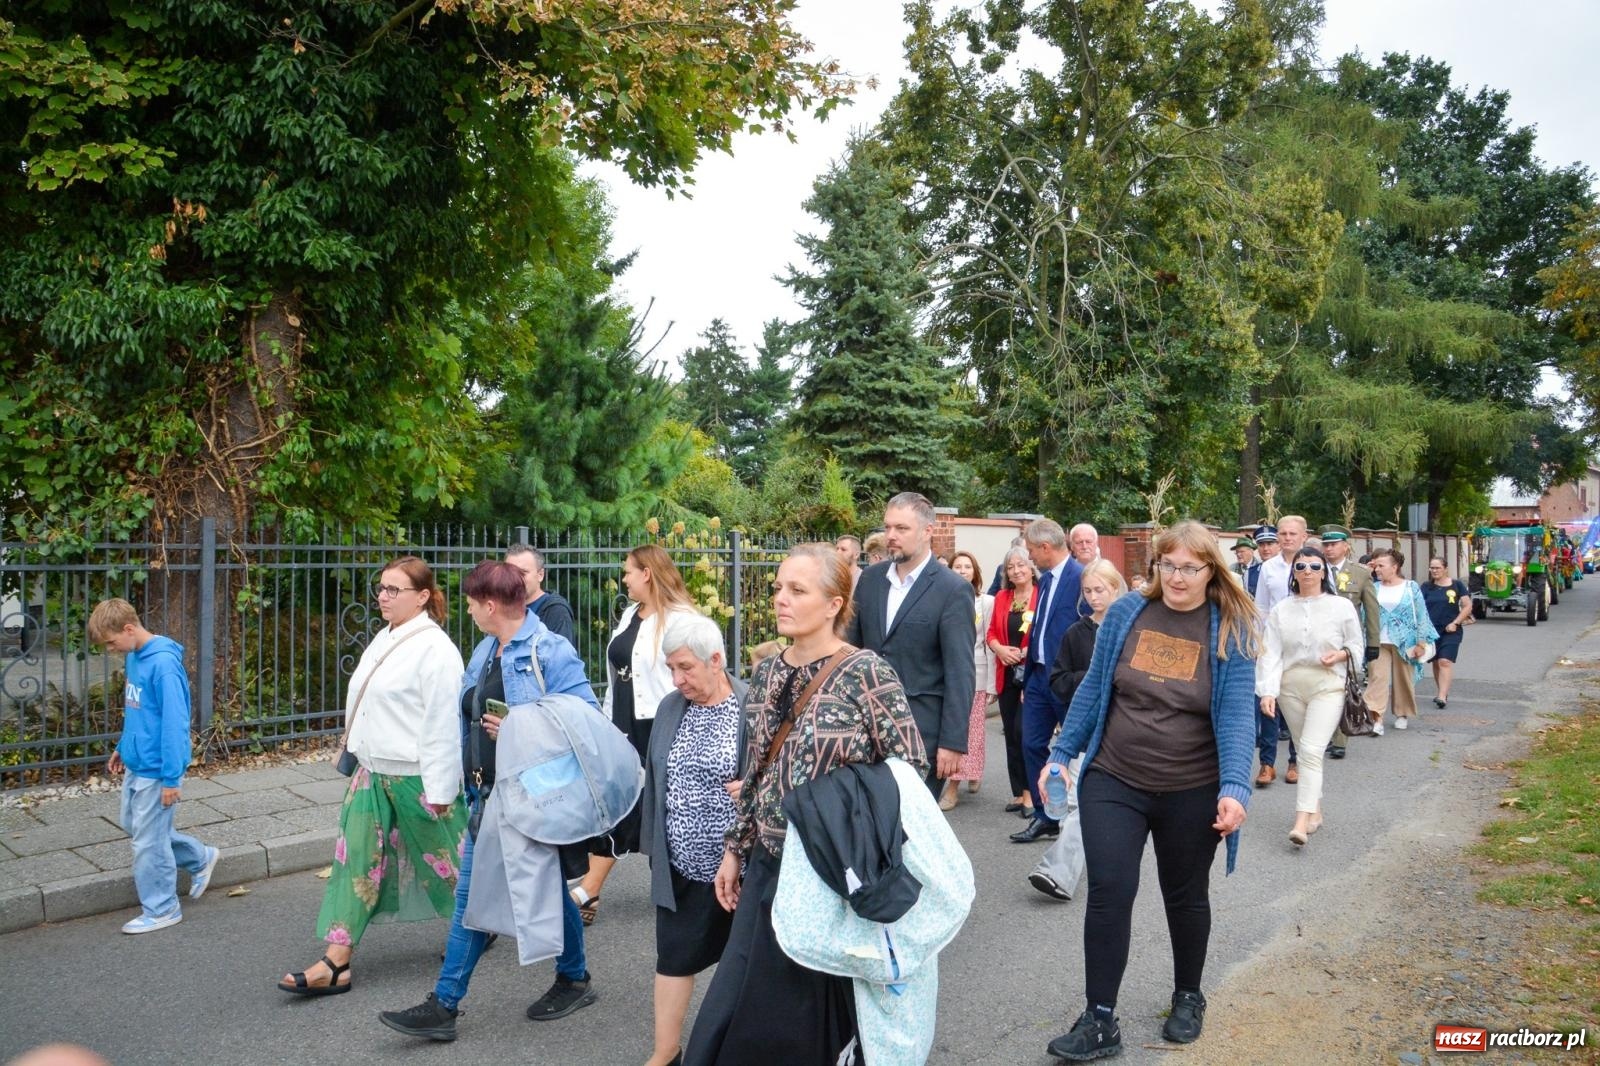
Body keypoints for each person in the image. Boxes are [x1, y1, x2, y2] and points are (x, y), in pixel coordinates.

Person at [684, 544, 928, 1065]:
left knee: (808, 1011)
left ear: (834, 604)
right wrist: (734, 850)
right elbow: (755, 772)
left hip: (830, 871)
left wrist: (843, 806)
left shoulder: (866, 672)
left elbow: (909, 769)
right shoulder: (767, 673)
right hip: (770, 865)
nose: (781, 599)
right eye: (779, 588)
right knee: (739, 1000)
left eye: (797, 590)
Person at [1040, 521, 1258, 1059]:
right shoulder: (1126, 613)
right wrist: (1062, 754)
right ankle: (1099, 1018)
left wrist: (1235, 787)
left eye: (1190, 568)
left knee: (1185, 895)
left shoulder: (1229, 627)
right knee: (1110, 891)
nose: (1177, 577)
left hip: (1191, 785)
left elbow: (1237, 716)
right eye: (1169, 565)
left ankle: (1188, 996)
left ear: (1211, 570)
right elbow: (1094, 689)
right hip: (1115, 777)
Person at [379, 561, 602, 1040]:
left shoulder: (549, 650)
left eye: (470, 603)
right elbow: (462, 719)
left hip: (528, 797)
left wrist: (523, 723)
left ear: (491, 605)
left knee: (472, 898)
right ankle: (574, 976)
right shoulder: (484, 650)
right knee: (540, 886)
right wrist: (452, 783)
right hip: (485, 794)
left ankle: (444, 1004)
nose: (467, 610)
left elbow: (587, 717)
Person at [280, 556, 468, 995]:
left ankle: (479, 922)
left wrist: (442, 789)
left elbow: (444, 725)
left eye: (393, 589)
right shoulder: (385, 637)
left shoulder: (437, 650)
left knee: (450, 866)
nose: (383, 596)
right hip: (371, 772)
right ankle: (336, 962)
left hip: (416, 778)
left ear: (422, 597)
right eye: (381, 588)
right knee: (356, 861)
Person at [638, 614, 749, 1066]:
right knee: (674, 957)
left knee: (745, 968)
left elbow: (779, 777)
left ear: (716, 660)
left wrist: (754, 789)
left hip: (739, 868)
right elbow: (656, 779)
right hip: (681, 865)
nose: (677, 679)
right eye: (671, 669)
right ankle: (665, 1054)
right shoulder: (671, 707)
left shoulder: (752, 707)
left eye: (685, 667)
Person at [571, 545, 700, 925]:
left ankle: (591, 888)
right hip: (624, 723)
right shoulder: (630, 615)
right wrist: (607, 723)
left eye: (629, 571)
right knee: (620, 803)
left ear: (647, 573)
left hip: (663, 725)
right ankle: (599, 888)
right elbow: (618, 674)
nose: (624, 578)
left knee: (652, 805)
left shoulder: (682, 619)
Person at [87, 599, 221, 935]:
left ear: (129, 629)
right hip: (138, 762)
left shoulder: (163, 664)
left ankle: (162, 908)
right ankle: (199, 857)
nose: (111, 650)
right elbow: (138, 711)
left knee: (147, 842)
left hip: (157, 769)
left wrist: (172, 778)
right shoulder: (135, 656)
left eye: (111, 642)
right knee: (135, 826)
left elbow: (175, 724)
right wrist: (123, 747)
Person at [845, 491, 975, 797]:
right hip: (866, 732)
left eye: (901, 528)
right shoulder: (871, 580)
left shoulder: (952, 589)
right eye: (887, 527)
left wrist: (952, 742)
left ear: (928, 531)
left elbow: (960, 672)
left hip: (922, 736)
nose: (891, 535)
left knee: (911, 824)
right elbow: (850, 650)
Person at [1030, 559, 1126, 901]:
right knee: (1075, 804)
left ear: (1115, 588)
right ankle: (1064, 867)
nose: (1094, 597)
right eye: (1087, 591)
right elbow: (1058, 679)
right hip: (1081, 729)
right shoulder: (1075, 633)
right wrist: (1091, 679)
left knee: (1088, 805)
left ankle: (1059, 869)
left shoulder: (1129, 631)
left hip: (1120, 732)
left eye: (1100, 590)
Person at [1255, 547, 1364, 848]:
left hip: (1327, 685)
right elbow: (1270, 653)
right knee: (1305, 752)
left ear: (1324, 571)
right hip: (1291, 687)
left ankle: (1301, 821)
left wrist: (1340, 654)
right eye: (1301, 566)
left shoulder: (1341, 606)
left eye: (1315, 566)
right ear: (1293, 572)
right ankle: (1315, 810)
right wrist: (1268, 691)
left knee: (1312, 751)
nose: (1307, 572)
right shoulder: (1281, 609)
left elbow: (1357, 646)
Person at [1011, 517, 1084, 844]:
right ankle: (1047, 815)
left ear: (1045, 547)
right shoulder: (1045, 581)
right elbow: (1039, 628)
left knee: (1075, 750)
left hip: (1067, 680)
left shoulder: (1080, 578)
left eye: (1031, 551)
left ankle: (1077, 814)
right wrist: (1029, 680)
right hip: (1038, 678)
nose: (1029, 558)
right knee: (1031, 744)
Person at [987, 547, 1040, 819]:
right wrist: (1000, 649)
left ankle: (1031, 793)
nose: (1016, 570)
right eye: (1011, 567)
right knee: (1010, 733)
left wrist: (1027, 651)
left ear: (1031, 568)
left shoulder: (1041, 595)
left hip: (1031, 673)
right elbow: (991, 633)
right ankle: (1018, 792)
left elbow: (1046, 633)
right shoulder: (1002, 597)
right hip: (1006, 672)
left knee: (1024, 732)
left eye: (1021, 565)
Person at [1364, 548, 1440, 733]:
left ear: (1394, 567)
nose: (1377, 569)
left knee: (1403, 679)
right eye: (1376, 566)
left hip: (1406, 641)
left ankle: (1402, 713)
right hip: (1378, 640)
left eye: (1381, 566)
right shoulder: (1373, 587)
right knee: (1377, 678)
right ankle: (1376, 718)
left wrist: (1421, 643)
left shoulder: (1410, 587)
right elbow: (1364, 613)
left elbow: (1421, 615)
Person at [942, 550, 995, 810]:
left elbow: (990, 643)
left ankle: (953, 788)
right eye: (958, 566)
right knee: (954, 727)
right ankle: (971, 771)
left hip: (976, 672)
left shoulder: (985, 602)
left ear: (975, 572)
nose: (962, 571)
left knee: (971, 731)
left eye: (967, 566)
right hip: (945, 674)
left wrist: (993, 684)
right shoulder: (941, 598)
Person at [1248, 523, 1298, 784]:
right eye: (1283, 534)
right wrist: (1257, 641)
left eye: (1292, 534)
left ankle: (1295, 761)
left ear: (1303, 536)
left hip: (1302, 643)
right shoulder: (1268, 568)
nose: (1287, 538)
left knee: (1298, 704)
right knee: (1268, 700)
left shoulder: (1313, 562)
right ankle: (1267, 763)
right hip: (1273, 641)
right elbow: (1261, 607)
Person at [1421, 557, 1472, 708]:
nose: (1434, 570)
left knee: (1445, 661)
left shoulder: (1457, 585)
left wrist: (1456, 622)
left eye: (1437, 568)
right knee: (1436, 662)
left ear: (1445, 569)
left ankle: (1442, 696)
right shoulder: (1426, 587)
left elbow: (1467, 606)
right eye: (1432, 568)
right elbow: (1418, 606)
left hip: (1451, 629)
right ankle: (1441, 691)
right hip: (1431, 630)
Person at [506, 544, 575, 647]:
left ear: (540, 575)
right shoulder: (503, 609)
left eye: (523, 573)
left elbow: (561, 655)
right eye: (510, 573)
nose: (516, 578)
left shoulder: (556, 612)